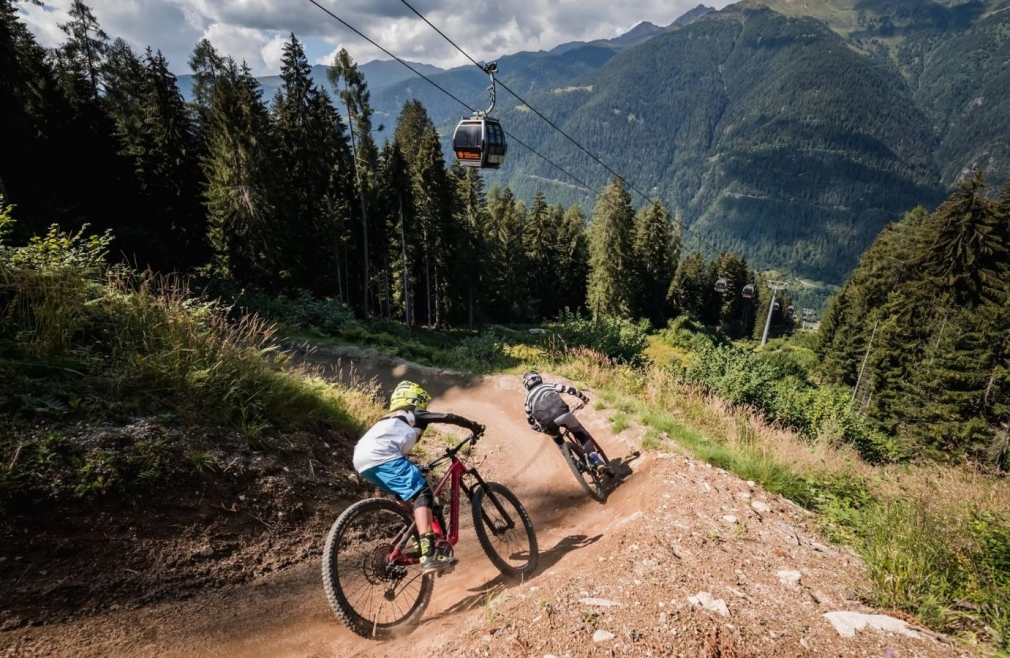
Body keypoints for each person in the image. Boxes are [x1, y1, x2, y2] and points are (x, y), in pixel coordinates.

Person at [353, 380, 485, 574]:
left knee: (414, 500)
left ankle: (423, 542)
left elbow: (395, 443)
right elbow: (447, 416)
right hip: (383, 455)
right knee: (423, 493)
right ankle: (429, 554)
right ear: (414, 399)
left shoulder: (388, 418)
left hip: (361, 460)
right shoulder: (411, 411)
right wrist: (472, 426)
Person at [522, 371, 608, 473]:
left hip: (548, 424)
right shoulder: (548, 386)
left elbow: (531, 425)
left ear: (526, 385)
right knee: (581, 436)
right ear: (539, 378)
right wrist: (585, 399)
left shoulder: (527, 400)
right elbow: (572, 390)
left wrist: (544, 430)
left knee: (558, 441)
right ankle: (597, 461)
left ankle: (574, 463)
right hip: (564, 413)